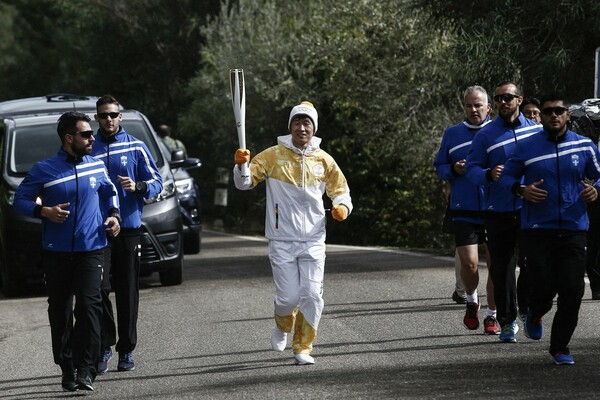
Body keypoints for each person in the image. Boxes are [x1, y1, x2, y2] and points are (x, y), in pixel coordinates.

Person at [233, 101, 353, 365]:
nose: (302, 127)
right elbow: (244, 183)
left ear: (314, 128)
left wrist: (341, 206)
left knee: (312, 295)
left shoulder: (324, 160)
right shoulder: (272, 156)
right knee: (288, 297)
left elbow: (341, 190)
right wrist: (241, 165)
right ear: (290, 126)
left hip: (313, 238)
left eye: (307, 123)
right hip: (282, 238)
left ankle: (303, 347)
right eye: (297, 122)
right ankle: (282, 326)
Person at [13, 112, 121, 392]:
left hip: (92, 249)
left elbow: (110, 193)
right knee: (60, 312)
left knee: (89, 307)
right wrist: (44, 211)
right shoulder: (44, 169)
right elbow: (20, 201)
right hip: (56, 252)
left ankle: (87, 369)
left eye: (91, 134)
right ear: (69, 138)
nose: (92, 138)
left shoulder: (96, 165)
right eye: (86, 134)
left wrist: (114, 215)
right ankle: (67, 367)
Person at [499, 92, 600, 364]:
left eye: (559, 111)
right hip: (537, 229)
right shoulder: (527, 148)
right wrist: (521, 189)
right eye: (548, 112)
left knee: (573, 289)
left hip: (574, 229)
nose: (554, 115)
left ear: (568, 114)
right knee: (543, 286)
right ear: (540, 116)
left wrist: (596, 190)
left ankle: (560, 348)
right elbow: (505, 176)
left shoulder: (585, 146)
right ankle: (534, 311)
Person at [465, 81, 542, 343]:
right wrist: (488, 174)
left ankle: (529, 310)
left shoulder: (537, 131)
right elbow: (472, 170)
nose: (502, 103)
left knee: (534, 264)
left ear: (519, 100)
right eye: (498, 99)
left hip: (531, 209)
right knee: (502, 270)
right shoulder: (485, 135)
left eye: (508, 98)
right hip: (498, 210)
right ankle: (507, 322)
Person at [92, 95, 163, 373]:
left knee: (128, 291)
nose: (108, 120)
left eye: (113, 115)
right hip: (98, 231)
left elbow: (157, 181)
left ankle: (126, 350)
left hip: (130, 230)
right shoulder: (90, 147)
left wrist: (139, 186)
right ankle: (105, 345)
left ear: (120, 117)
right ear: (96, 118)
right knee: (98, 290)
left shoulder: (136, 146)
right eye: (103, 115)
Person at [434, 85, 499, 335]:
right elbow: (439, 165)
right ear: (464, 107)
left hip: (495, 208)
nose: (473, 110)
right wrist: (453, 170)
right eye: (469, 105)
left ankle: (492, 316)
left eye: (478, 105)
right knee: (470, 264)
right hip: (464, 207)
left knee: (495, 266)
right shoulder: (453, 134)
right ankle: (472, 300)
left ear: (488, 108)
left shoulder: (497, 133)